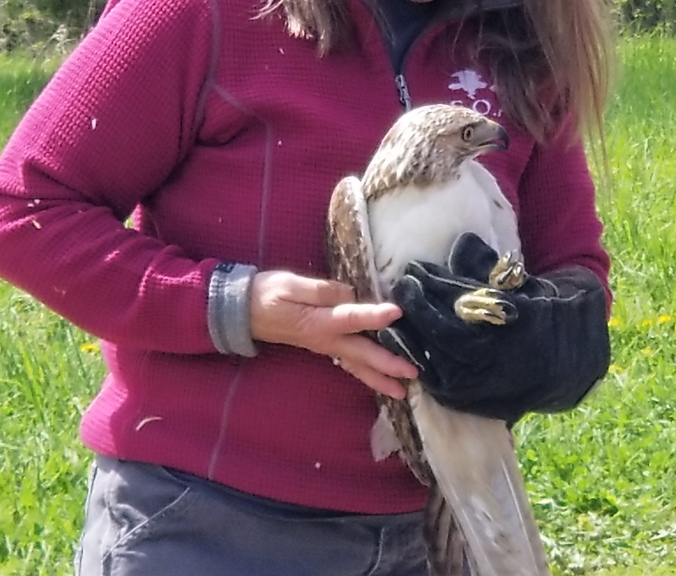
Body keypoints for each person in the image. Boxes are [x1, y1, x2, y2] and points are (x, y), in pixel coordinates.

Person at [0, 0, 614, 574]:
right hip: (207, 525)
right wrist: (236, 305)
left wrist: (547, 341)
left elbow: (572, 265)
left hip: (438, 527)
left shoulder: (520, 38)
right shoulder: (202, 12)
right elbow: (23, 209)